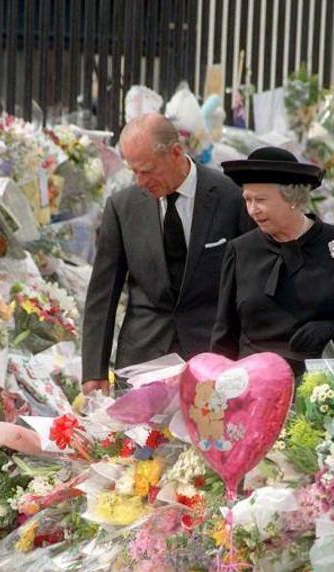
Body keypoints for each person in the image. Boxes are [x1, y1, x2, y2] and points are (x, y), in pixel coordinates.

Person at [82, 113, 253, 393]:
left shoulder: (230, 197)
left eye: (147, 170)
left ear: (176, 153)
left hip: (211, 357)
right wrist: (94, 370)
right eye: (133, 171)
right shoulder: (122, 207)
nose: (139, 181)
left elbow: (248, 285)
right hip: (143, 357)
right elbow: (102, 293)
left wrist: (247, 359)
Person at [211, 147, 334, 377]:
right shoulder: (240, 250)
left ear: (292, 198)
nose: (252, 210)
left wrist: (330, 330)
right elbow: (225, 334)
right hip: (256, 388)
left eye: (260, 200)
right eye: (247, 200)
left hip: (326, 388)